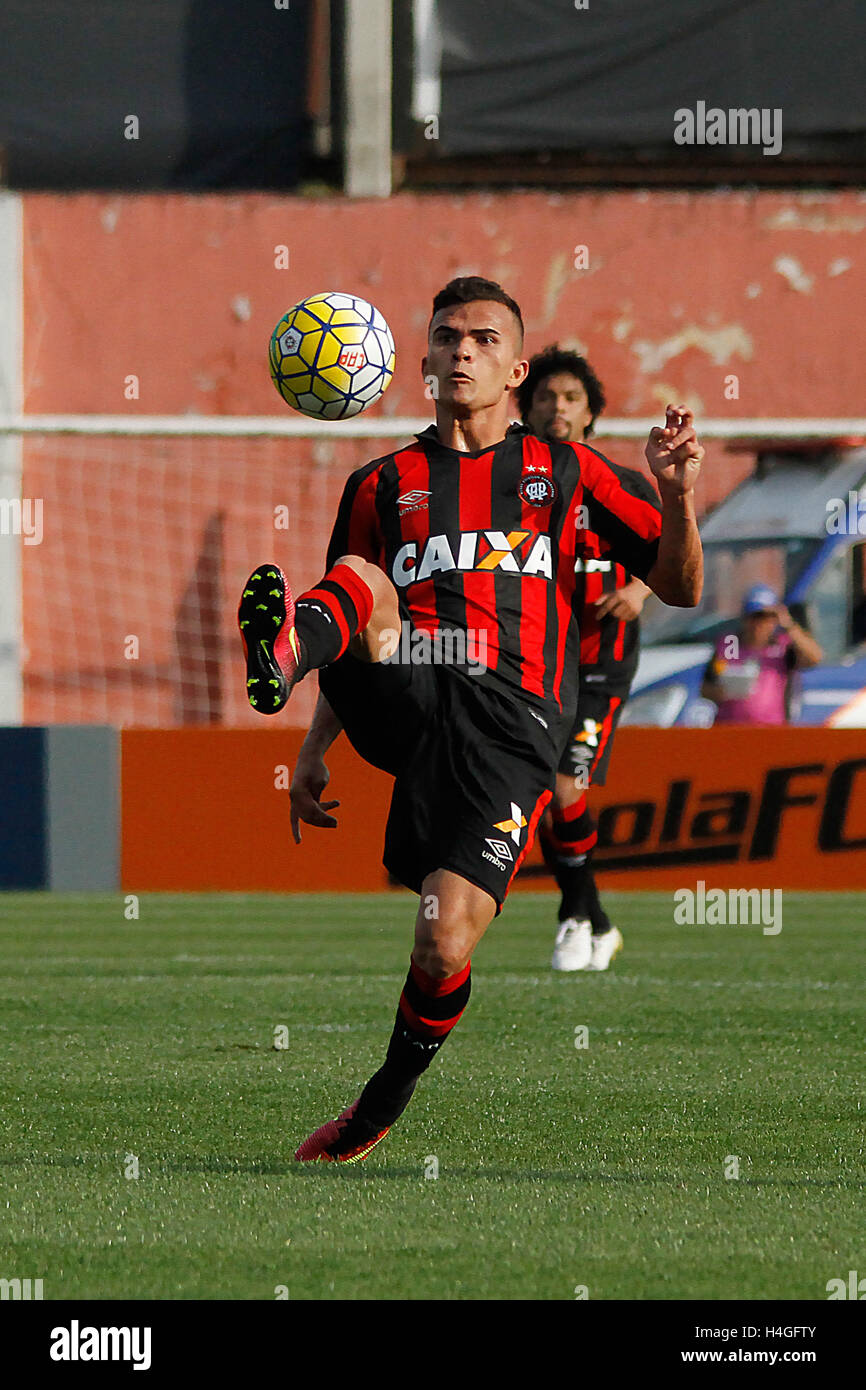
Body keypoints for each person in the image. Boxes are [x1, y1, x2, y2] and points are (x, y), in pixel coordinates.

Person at [238, 276, 704, 1163]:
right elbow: (358, 614)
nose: (463, 350)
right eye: (448, 336)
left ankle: (372, 1113)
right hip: (411, 678)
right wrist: (311, 748)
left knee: (442, 941)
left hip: (514, 722)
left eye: (485, 339)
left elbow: (680, 586)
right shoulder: (383, 483)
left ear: (515, 368)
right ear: (419, 364)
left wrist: (676, 495)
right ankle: (277, 659)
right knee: (367, 582)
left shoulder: (567, 471)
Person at [518, 345, 655, 972]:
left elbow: (672, 550)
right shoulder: (516, 488)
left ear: (592, 410)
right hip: (537, 663)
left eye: (571, 397)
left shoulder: (622, 483)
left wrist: (638, 590)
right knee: (544, 792)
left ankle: (575, 918)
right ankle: (593, 917)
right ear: (527, 406)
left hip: (602, 665)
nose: (557, 408)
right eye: (545, 396)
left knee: (564, 783)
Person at [701, 584, 822, 724]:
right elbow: (705, 688)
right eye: (754, 617)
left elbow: (814, 657)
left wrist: (789, 625)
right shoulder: (729, 644)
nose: (759, 624)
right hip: (729, 727)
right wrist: (720, 692)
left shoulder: (783, 646)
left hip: (770, 728)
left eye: (765, 617)